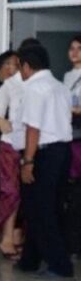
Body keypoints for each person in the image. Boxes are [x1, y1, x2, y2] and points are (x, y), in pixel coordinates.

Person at [13, 43, 76, 280]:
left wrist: (27, 162)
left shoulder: (35, 88)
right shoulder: (59, 86)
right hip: (62, 151)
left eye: (20, 67)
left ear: (26, 66)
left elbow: (33, 128)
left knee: (39, 209)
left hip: (42, 153)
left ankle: (59, 264)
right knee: (51, 206)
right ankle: (30, 259)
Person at [0, 50, 26, 259]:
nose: (12, 68)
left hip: (32, 145)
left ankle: (18, 235)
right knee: (11, 192)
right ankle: (6, 238)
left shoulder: (35, 86)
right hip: (10, 145)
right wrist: (2, 123)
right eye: (9, 64)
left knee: (28, 194)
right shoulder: (7, 87)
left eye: (16, 64)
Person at [63, 35, 81, 179]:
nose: (74, 52)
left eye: (79, 48)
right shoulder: (67, 76)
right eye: (72, 48)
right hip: (69, 129)